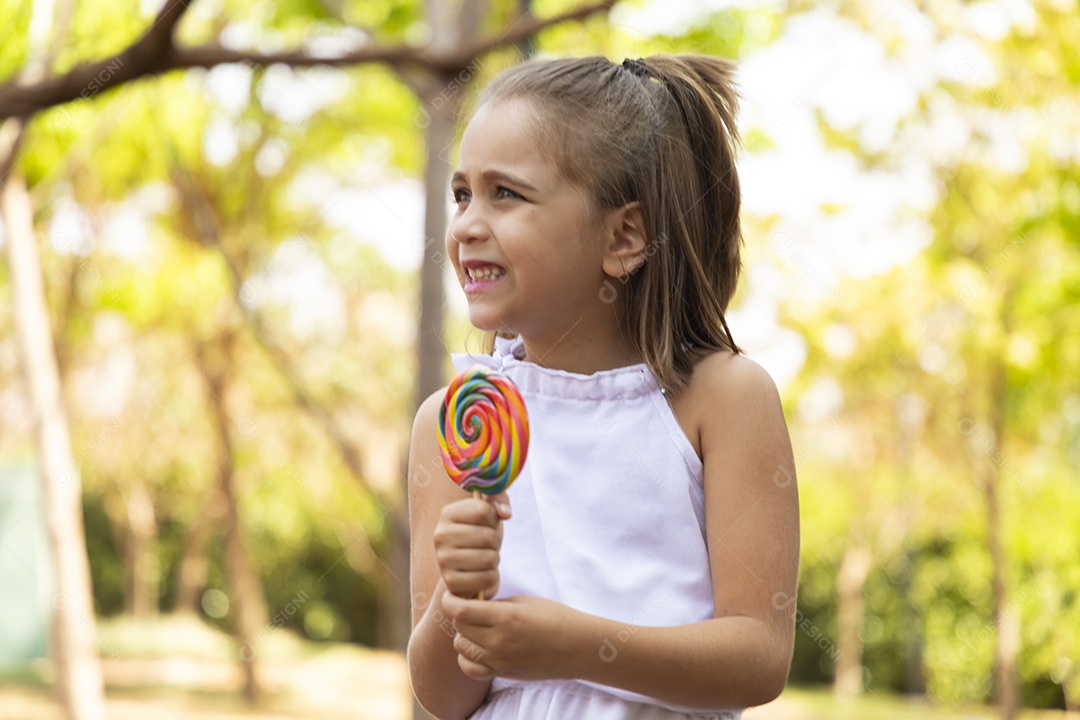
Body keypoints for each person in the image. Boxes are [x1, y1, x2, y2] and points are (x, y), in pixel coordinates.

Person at [406, 54, 800, 720]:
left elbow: (759, 657)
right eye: (462, 194)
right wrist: (456, 595)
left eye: (507, 193)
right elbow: (443, 696)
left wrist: (579, 647)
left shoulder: (724, 399)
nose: (469, 224)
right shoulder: (454, 420)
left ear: (623, 236)